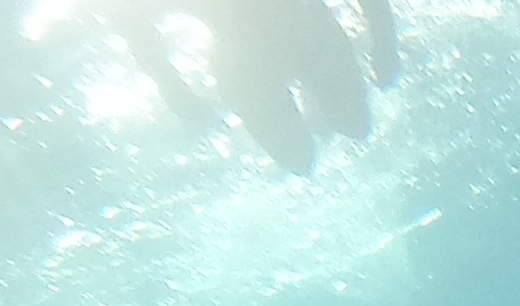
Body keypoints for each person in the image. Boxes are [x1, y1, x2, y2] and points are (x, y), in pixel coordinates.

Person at [108, 0, 398, 175]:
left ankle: (317, 106)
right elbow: (132, 20)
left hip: (307, 33)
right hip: (245, 59)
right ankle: (315, 107)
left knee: (356, 127)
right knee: (298, 162)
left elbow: (133, 23)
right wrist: (173, 88)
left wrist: (384, 39)